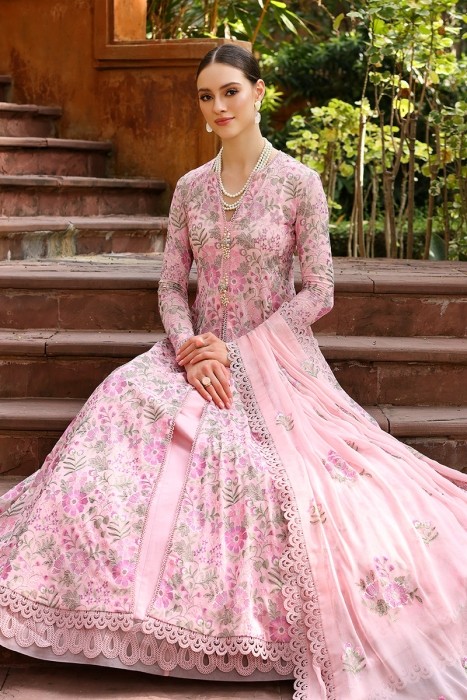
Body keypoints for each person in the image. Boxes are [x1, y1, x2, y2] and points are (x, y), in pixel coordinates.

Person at [0, 44, 465, 700]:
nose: (217, 106)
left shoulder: (298, 183)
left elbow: (319, 290)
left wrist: (239, 352)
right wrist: (191, 350)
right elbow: (170, 287)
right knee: (115, 408)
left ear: (258, 92)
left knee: (272, 476)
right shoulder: (190, 188)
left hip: (274, 360)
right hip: (193, 357)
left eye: (229, 92)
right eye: (205, 96)